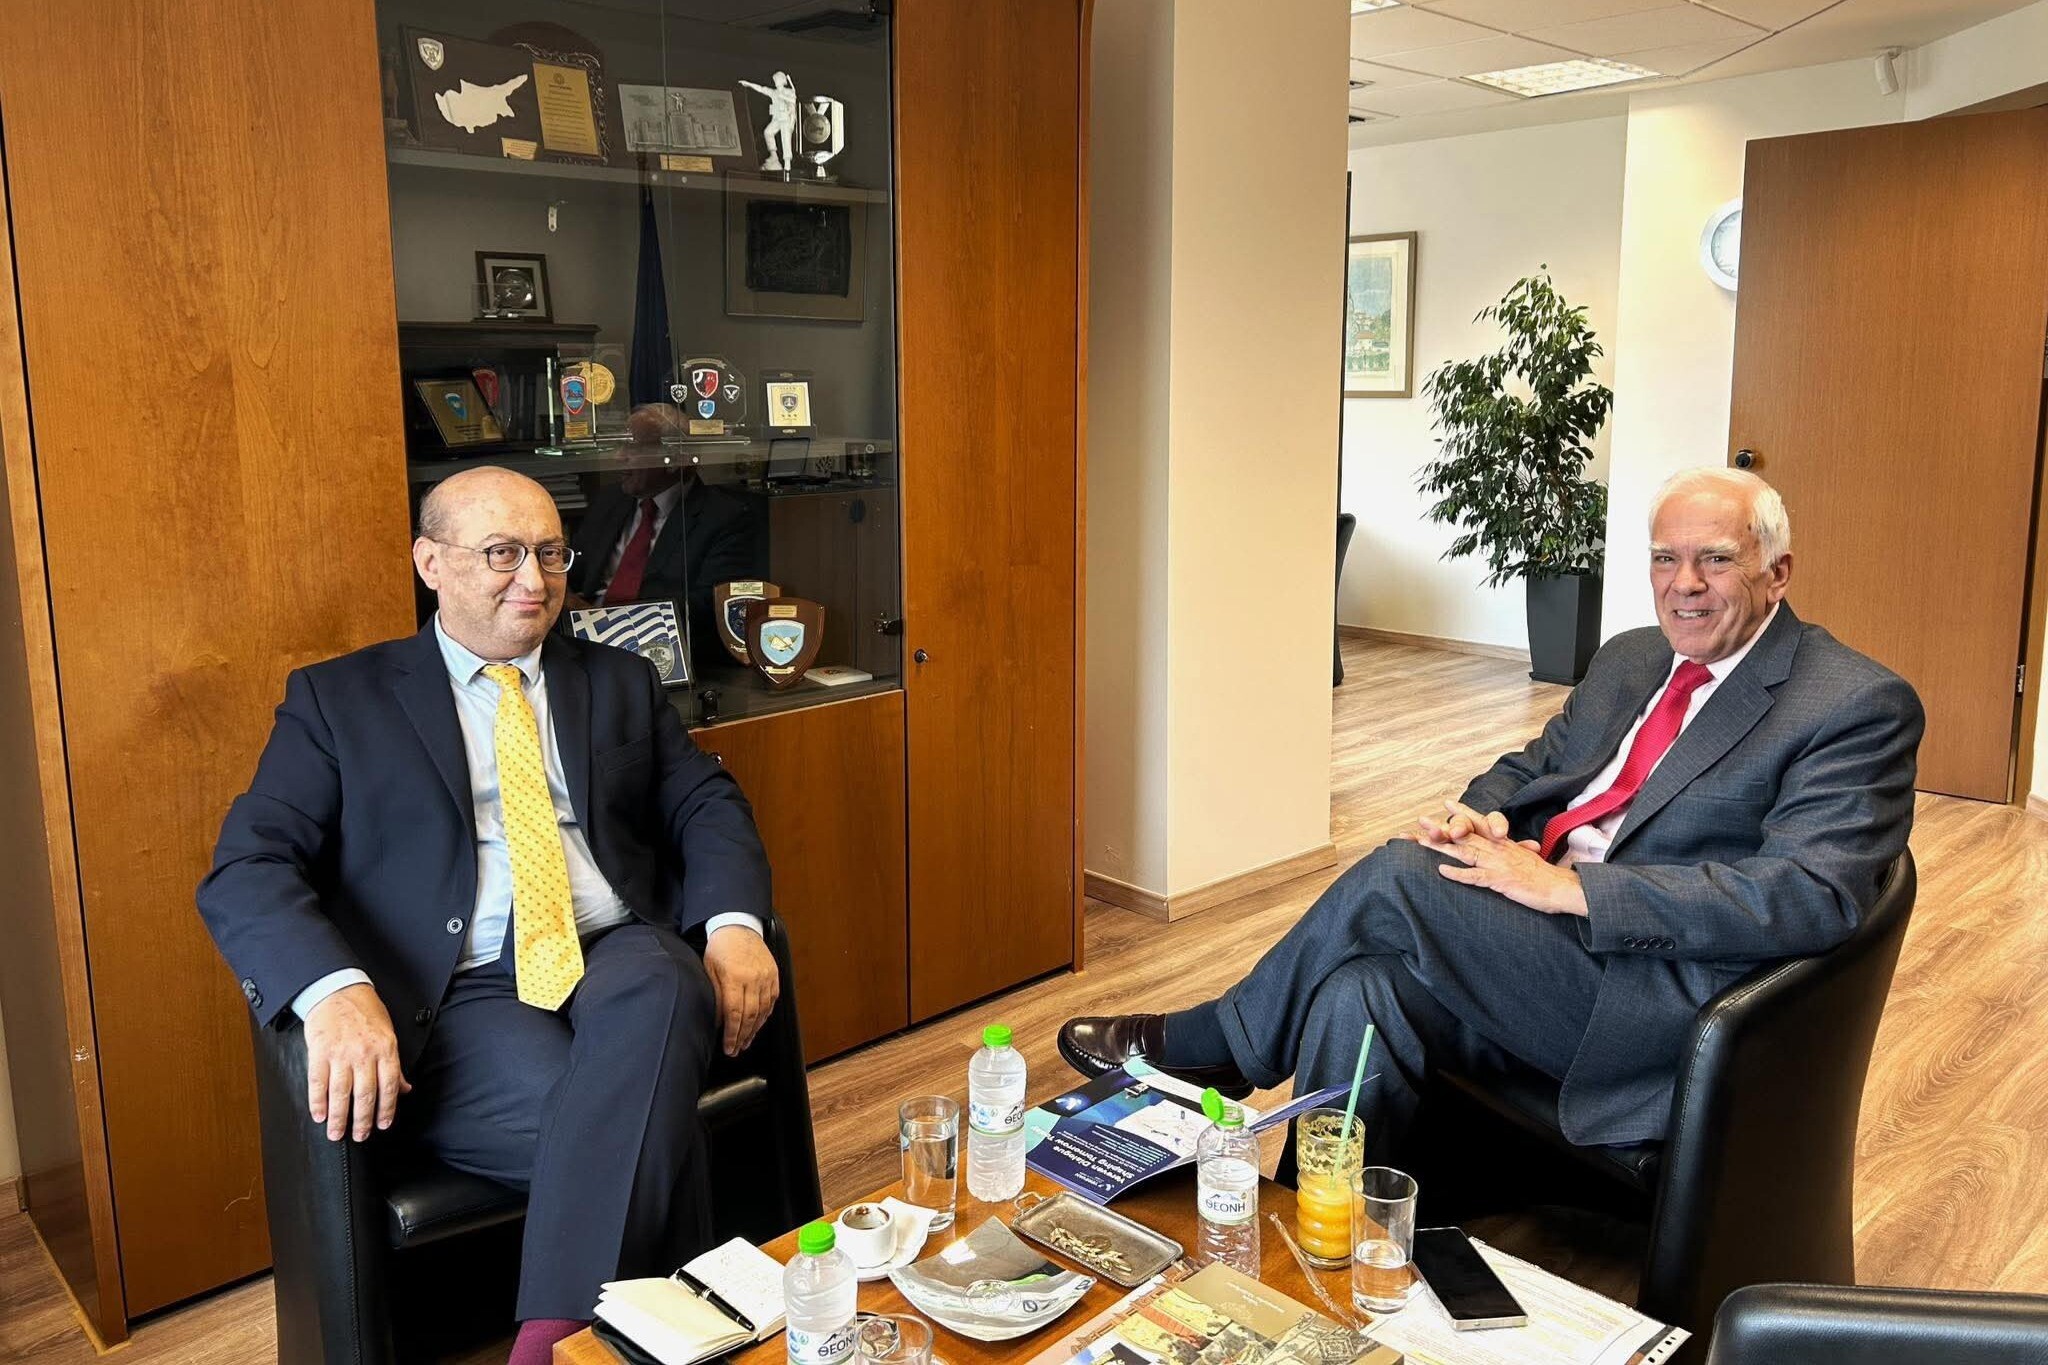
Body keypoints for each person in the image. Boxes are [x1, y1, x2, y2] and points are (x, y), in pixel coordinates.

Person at [1059, 468, 1923, 1156]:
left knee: (1398, 877)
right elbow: (1538, 765)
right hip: (1544, 942)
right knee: (1360, 989)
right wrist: (1482, 818)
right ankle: (1322, 1234)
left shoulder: (1851, 703)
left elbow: (1808, 895)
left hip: (1654, 999)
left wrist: (1572, 891)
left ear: (1778, 571)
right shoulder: (1632, 656)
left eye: (1717, 560)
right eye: (1665, 558)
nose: (1683, 584)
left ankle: (1221, 1041)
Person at [197, 466, 779, 1365]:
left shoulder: (618, 678)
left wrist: (735, 921)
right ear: (430, 562)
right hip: (462, 990)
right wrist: (333, 990)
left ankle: (546, 1348)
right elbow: (248, 863)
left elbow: (705, 800)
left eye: (550, 552)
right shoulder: (339, 700)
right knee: (627, 1128)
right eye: (502, 553)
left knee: (665, 980)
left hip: (614, 945)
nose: (533, 580)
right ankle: (656, 1333)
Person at [566, 406, 762, 678]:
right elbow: (574, 570)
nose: (619, 457)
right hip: (584, 646)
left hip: (664, 656)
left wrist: (604, 620)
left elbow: (711, 608)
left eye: (632, 447)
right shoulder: (610, 501)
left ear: (675, 459)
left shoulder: (726, 517)